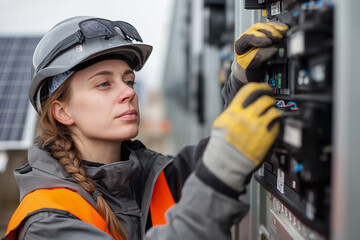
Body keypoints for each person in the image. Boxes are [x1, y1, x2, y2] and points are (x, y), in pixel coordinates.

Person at [2, 16, 288, 240]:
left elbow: (222, 152)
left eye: (128, 80)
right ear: (62, 111)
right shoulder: (47, 222)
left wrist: (243, 80)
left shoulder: (150, 177)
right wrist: (215, 183)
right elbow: (216, 170)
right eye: (104, 84)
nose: (128, 93)